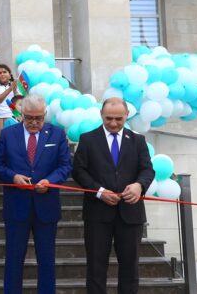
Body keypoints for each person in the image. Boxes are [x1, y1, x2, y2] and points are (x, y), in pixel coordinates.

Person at [73, 97, 155, 294]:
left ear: (127, 115)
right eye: (108, 118)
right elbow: (78, 171)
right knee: (96, 268)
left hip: (130, 214)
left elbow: (147, 170)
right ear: (101, 115)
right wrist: (99, 192)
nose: (113, 123)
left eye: (119, 119)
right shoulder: (87, 139)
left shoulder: (138, 141)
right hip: (97, 215)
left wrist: (139, 185)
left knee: (130, 268)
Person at [0, 94, 72, 294]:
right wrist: (13, 177)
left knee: (46, 260)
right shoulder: (7, 134)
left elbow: (65, 166)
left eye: (39, 118)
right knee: (13, 259)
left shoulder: (57, 134)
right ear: (21, 113)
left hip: (46, 207)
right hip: (16, 208)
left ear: (45, 114)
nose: (34, 122)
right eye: (29, 118)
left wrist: (51, 181)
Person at [0, 64, 18, 147]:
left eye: (5, 72)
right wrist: (10, 89)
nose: (2, 74)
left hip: (12, 118)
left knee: (12, 145)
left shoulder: (15, 86)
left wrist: (15, 90)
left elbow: (17, 104)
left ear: (10, 74)